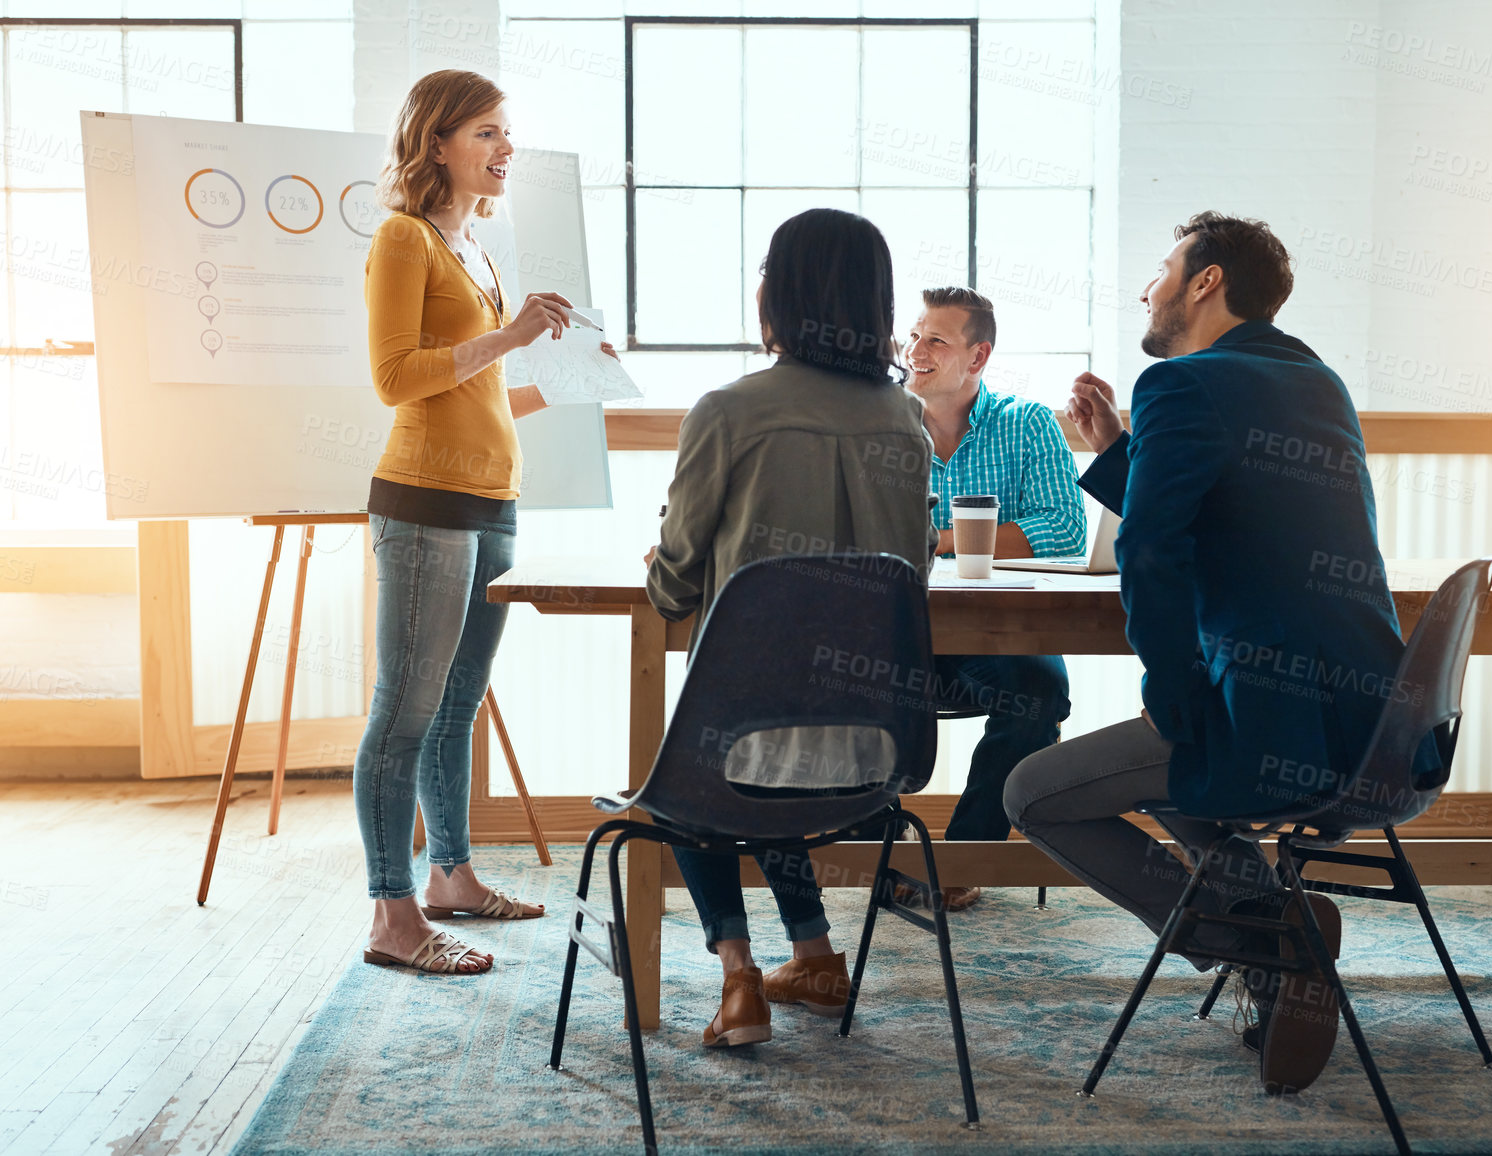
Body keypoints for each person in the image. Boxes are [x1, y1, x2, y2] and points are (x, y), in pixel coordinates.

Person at [1004, 211, 1432, 1094]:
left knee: (1034, 794)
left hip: (1272, 722)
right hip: (1373, 725)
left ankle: (1266, 946)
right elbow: (1242, 519)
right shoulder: (1316, 380)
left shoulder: (1181, 386)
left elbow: (1154, 552)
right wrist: (1120, 453)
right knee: (1184, 766)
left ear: (1205, 282)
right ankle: (1272, 931)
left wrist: (1175, 691)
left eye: (1163, 269)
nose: (1148, 287)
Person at [645, 208, 940, 1047]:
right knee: (776, 756)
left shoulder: (727, 412)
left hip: (747, 746)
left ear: (780, 294)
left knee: (701, 771)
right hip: (875, 749)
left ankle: (740, 979)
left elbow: (674, 582)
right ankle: (814, 955)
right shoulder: (906, 422)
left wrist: (667, 570)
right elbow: (908, 568)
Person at [355, 70, 616, 975]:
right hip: (424, 502)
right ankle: (394, 915)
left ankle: (452, 879)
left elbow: (486, 390)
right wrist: (510, 337)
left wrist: (578, 377)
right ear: (436, 143)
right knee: (406, 711)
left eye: (508, 134)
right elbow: (397, 379)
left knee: (459, 703)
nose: (506, 150)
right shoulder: (404, 239)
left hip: (493, 502)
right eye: (486, 134)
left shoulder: (479, 252)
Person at [903, 287, 1083, 912]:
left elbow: (1063, 531)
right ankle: (888, 853)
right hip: (900, 638)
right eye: (915, 335)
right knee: (846, 687)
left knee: (1039, 695)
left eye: (935, 340)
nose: (914, 351)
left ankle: (964, 855)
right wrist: (994, 536)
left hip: (1000, 638)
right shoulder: (881, 424)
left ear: (977, 357)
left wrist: (935, 538)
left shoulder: (1026, 422)